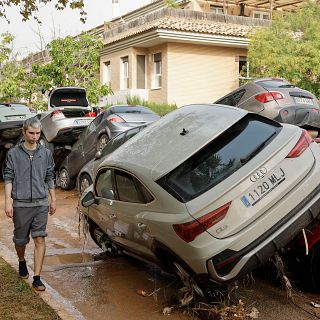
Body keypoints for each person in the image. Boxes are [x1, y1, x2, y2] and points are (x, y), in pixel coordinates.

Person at [3, 117, 56, 291]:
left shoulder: (45, 153)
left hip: (41, 203)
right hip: (20, 204)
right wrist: (7, 203)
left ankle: (37, 278)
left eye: (38, 133)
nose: (35, 137)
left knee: (40, 237)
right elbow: (8, 177)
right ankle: (21, 260)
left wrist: (53, 199)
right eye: (31, 133)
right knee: (20, 240)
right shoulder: (13, 154)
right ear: (24, 132)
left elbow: (49, 177)